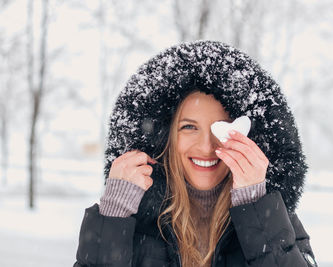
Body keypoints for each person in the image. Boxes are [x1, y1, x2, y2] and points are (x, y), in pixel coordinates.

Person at [73, 40, 318, 267]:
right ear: (165, 138)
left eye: (221, 128)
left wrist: (254, 206)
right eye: (189, 127)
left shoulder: (276, 220)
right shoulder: (134, 223)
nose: (206, 146)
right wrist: (114, 215)